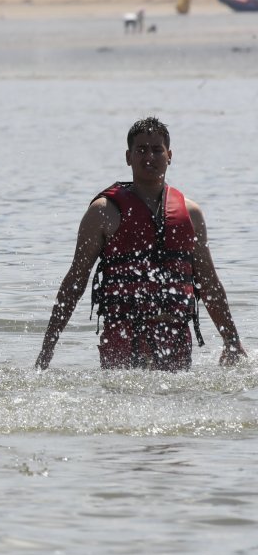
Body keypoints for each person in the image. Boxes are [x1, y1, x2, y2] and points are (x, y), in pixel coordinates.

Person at [36, 117, 247, 371]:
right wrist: (47, 348)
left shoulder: (191, 214)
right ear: (128, 157)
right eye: (141, 150)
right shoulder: (103, 212)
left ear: (169, 155)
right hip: (122, 339)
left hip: (175, 339)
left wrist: (232, 342)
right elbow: (75, 281)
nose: (150, 156)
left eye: (157, 150)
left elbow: (209, 282)